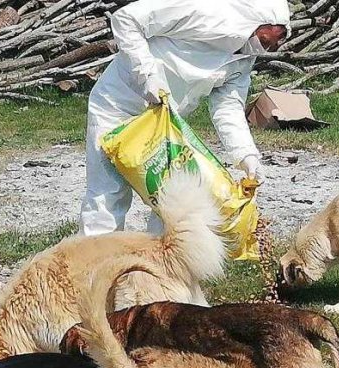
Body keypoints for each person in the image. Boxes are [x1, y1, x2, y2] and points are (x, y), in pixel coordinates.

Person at [79, 0, 290, 236]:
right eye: (269, 37)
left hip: (164, 124)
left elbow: (228, 105)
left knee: (171, 199)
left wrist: (246, 155)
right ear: (255, 18)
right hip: (119, 106)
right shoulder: (200, 10)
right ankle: (96, 265)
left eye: (279, 40)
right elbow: (127, 18)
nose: (272, 46)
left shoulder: (245, 55)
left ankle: (161, 267)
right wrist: (147, 75)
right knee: (107, 194)